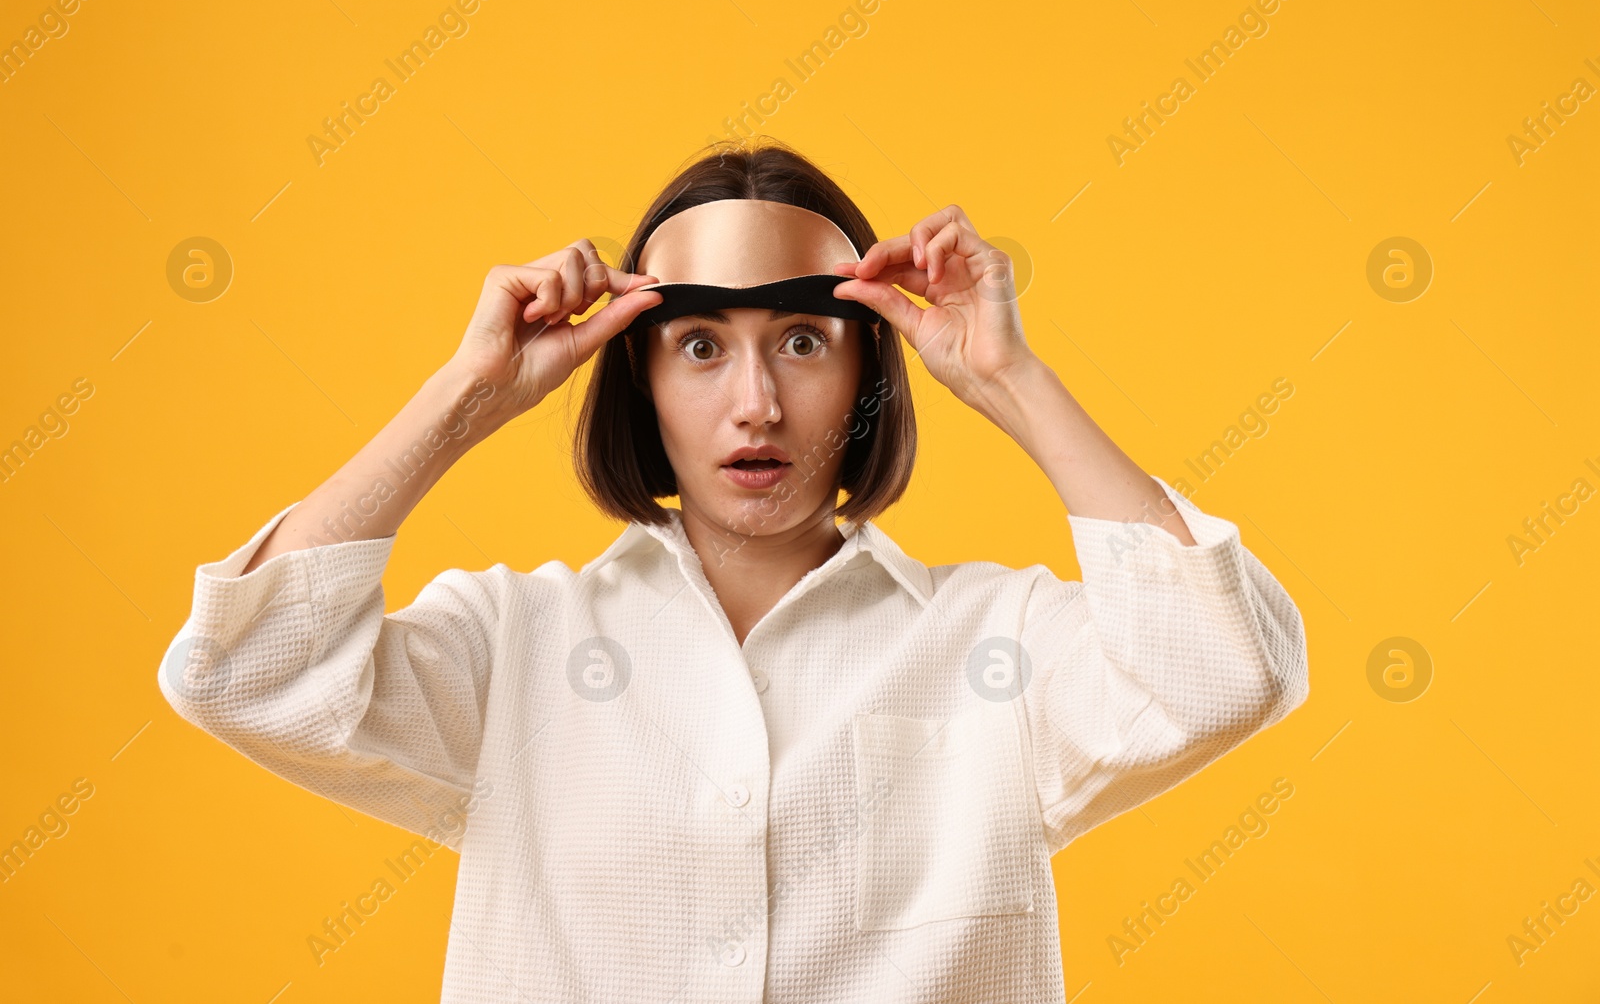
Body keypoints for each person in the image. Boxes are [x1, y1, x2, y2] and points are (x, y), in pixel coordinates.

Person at [157, 139, 1310, 1003]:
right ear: (637, 380)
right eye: (700, 346)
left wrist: (1009, 378)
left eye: (802, 342)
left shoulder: (991, 639)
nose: (754, 404)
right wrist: (463, 401)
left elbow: (1225, 671)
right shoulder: (514, 643)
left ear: (871, 366)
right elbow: (241, 668)